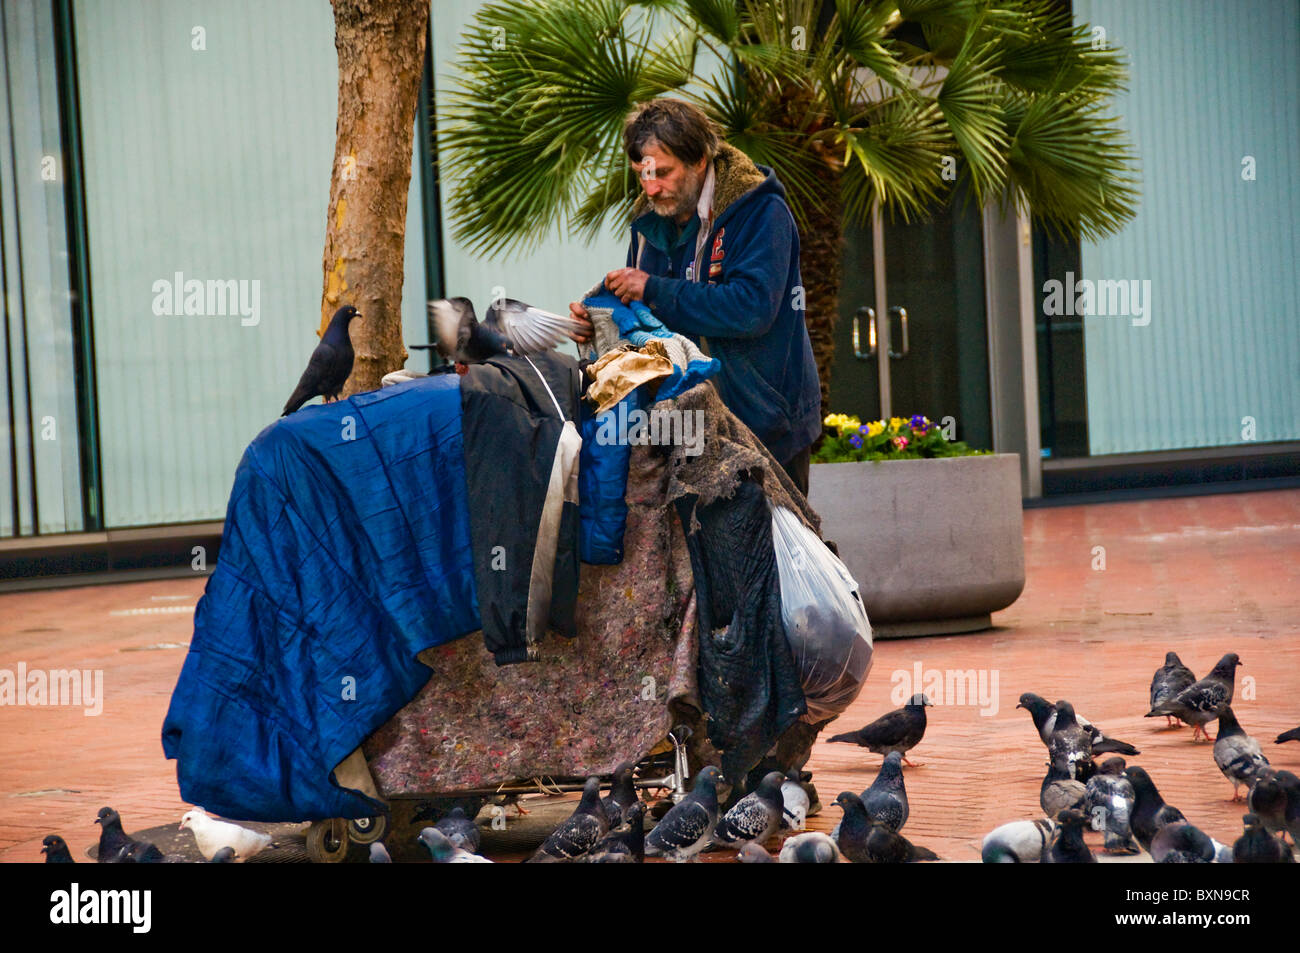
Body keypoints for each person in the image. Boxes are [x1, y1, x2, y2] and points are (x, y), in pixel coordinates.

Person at [569, 98, 821, 495]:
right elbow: (648, 318)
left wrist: (651, 289)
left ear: (700, 160)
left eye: (663, 173)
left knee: (775, 553)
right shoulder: (648, 220)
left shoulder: (760, 211)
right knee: (702, 557)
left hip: (765, 422)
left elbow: (751, 309)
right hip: (685, 425)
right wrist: (602, 318)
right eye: (642, 174)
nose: (651, 187)